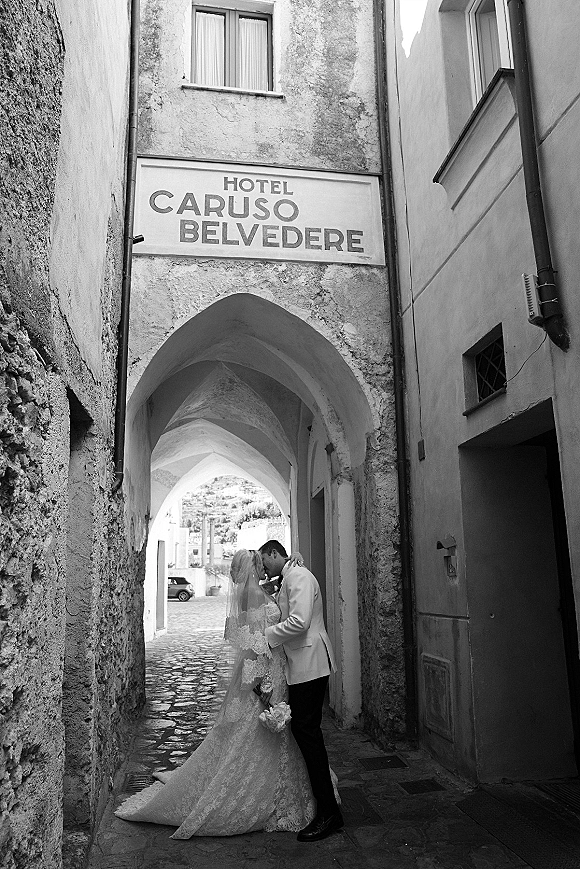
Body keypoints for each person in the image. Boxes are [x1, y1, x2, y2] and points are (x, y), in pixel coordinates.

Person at [114, 549, 315, 837]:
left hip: (270, 671)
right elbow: (254, 646)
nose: (265, 570)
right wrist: (263, 686)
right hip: (268, 674)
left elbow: (246, 635)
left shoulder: (251, 593)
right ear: (254, 568)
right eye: (261, 565)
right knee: (259, 735)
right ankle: (264, 793)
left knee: (258, 736)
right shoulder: (256, 596)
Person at [259, 539, 343, 842]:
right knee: (306, 732)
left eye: (264, 560)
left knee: (308, 733)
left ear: (273, 553)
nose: (264, 567)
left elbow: (299, 621)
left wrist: (268, 635)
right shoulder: (291, 576)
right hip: (303, 664)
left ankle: (328, 813)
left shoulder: (300, 577)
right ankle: (327, 808)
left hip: (310, 662)